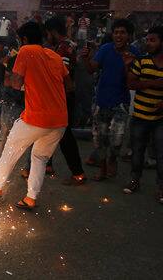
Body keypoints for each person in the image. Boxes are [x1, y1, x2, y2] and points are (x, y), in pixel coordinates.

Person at [0, 22, 70, 210]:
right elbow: (68, 84)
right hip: (60, 120)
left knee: (10, 149)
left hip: (36, 117)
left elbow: (15, 83)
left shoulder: (26, 50)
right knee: (39, 158)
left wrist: (12, 70)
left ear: (23, 39)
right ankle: (30, 199)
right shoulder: (55, 56)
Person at [82, 19, 140, 180]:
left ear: (128, 35)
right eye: (116, 32)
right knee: (99, 138)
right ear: (112, 34)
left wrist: (128, 65)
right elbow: (91, 69)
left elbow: (133, 82)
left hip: (120, 103)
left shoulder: (135, 53)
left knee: (117, 139)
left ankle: (113, 159)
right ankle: (102, 167)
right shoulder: (105, 49)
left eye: (122, 32)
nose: (119, 35)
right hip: (101, 101)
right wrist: (86, 58)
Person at [42, 17, 87, 185]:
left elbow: (62, 74)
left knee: (65, 135)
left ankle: (78, 173)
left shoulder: (63, 48)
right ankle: (47, 164)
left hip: (62, 97)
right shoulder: (65, 46)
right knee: (49, 131)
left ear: (53, 31)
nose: (47, 37)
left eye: (47, 33)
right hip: (62, 96)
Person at [123, 26, 163, 203]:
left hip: (161, 118)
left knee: (161, 153)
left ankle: (161, 187)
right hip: (140, 115)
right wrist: (155, 83)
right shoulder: (141, 61)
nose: (148, 43)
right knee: (137, 150)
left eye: (152, 40)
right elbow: (131, 84)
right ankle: (135, 180)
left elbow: (137, 82)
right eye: (147, 40)